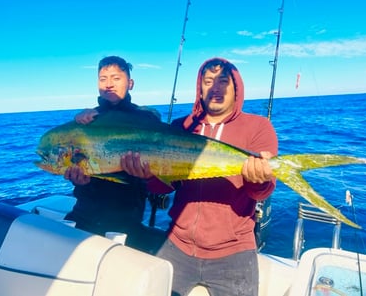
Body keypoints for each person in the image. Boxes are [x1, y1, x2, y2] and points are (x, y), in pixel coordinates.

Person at [122, 57, 278, 296]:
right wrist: (147, 175)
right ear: (200, 87)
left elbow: (262, 191)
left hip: (234, 252)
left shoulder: (258, 127)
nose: (215, 88)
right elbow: (165, 187)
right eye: (208, 81)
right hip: (177, 245)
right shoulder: (181, 126)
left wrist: (260, 179)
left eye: (223, 81)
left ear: (236, 88)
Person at [63, 55, 165, 254]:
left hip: (126, 218)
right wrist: (79, 180)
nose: (109, 84)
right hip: (85, 212)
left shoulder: (146, 118)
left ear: (131, 83)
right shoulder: (86, 120)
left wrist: (147, 175)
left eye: (116, 78)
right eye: (103, 79)